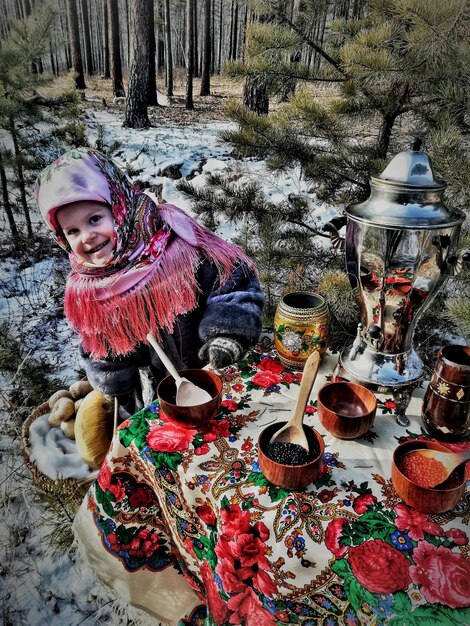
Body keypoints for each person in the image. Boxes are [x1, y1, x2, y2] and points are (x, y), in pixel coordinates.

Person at [36, 147, 264, 413]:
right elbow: (104, 342)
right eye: (72, 231)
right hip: (163, 386)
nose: (86, 236)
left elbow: (232, 279)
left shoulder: (177, 244)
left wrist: (227, 333)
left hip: (219, 366)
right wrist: (115, 382)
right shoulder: (91, 289)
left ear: (119, 205)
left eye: (95, 219)